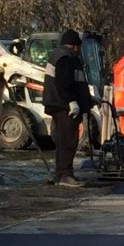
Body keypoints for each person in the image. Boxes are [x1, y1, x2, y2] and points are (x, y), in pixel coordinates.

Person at [43, 30, 93, 187]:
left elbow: (74, 83)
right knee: (68, 140)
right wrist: (72, 101)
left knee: (63, 139)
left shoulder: (60, 56)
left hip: (60, 104)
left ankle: (61, 174)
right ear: (76, 46)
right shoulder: (65, 58)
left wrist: (88, 99)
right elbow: (64, 83)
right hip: (64, 106)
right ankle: (65, 174)